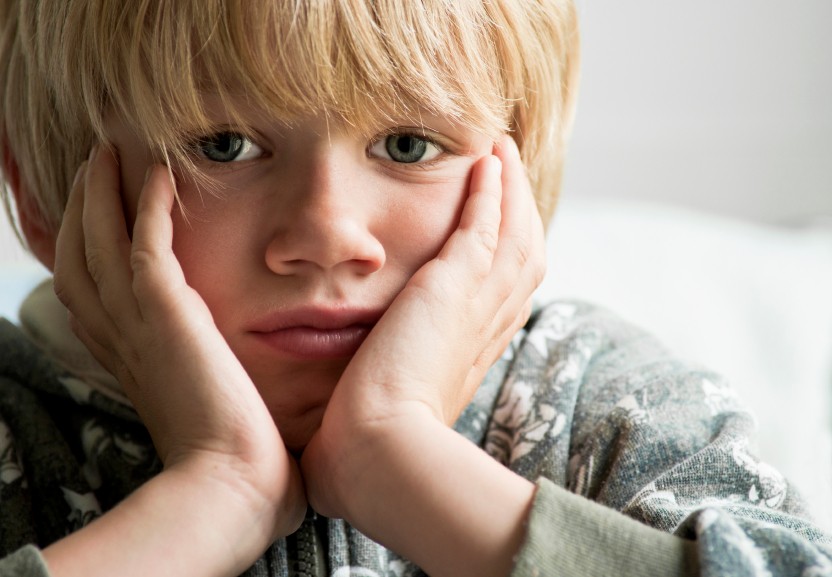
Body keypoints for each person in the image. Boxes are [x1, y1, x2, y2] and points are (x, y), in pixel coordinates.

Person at [0, 1, 829, 576]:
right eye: (222, 146)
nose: (329, 234)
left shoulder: (601, 402)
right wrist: (209, 495)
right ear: (41, 197)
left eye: (406, 142)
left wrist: (405, 463)